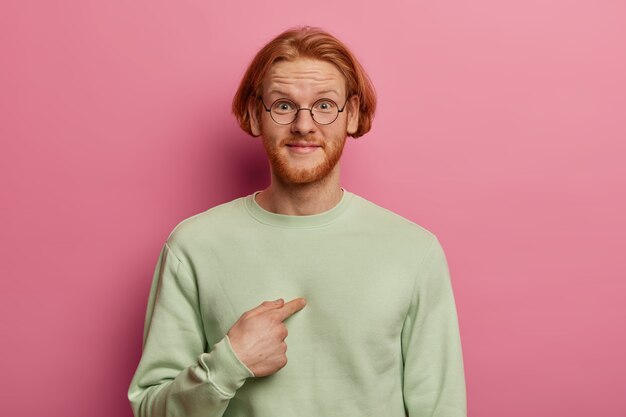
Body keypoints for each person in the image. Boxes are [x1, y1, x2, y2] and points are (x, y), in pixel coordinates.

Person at [128, 26, 467, 417]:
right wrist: (227, 365)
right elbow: (150, 410)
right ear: (256, 115)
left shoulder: (414, 251)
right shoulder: (193, 246)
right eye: (284, 105)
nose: (304, 125)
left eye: (324, 105)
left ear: (351, 115)